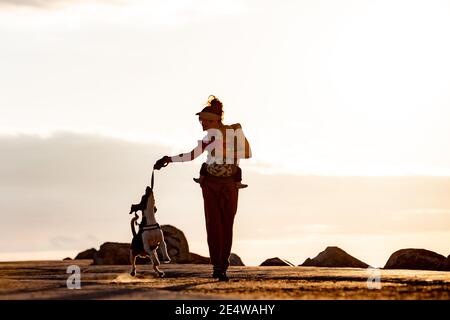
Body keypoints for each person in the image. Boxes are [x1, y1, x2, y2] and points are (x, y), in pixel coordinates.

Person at [153, 95, 252, 281]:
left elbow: (247, 153)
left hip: (230, 182)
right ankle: (218, 268)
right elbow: (191, 155)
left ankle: (223, 265)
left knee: (227, 225)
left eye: (205, 120)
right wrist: (169, 159)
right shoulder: (207, 139)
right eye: (201, 120)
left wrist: (224, 146)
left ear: (215, 119)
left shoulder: (234, 130)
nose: (202, 124)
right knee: (213, 224)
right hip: (210, 183)